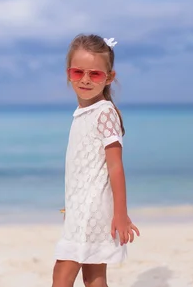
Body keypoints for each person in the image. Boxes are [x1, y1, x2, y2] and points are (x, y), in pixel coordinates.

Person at [52, 34, 140, 287]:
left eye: (95, 74)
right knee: (94, 275)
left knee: (62, 272)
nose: (86, 80)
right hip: (82, 207)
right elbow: (84, 168)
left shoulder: (105, 113)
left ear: (109, 77)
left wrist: (121, 214)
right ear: (69, 74)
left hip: (93, 209)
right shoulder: (83, 113)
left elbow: (115, 167)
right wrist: (72, 204)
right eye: (78, 72)